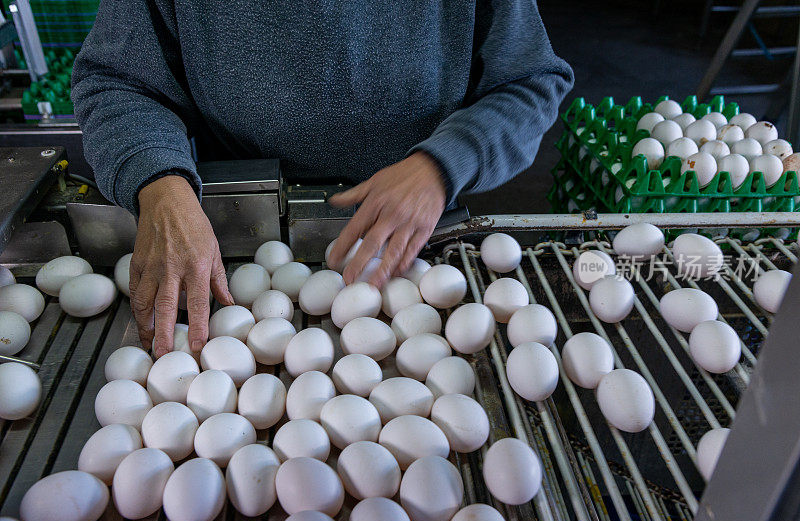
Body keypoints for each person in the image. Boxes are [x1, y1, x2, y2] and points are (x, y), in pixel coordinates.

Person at [72, 0, 573, 357]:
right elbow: (117, 80)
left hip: (420, 232)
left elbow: (529, 81)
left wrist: (443, 163)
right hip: (229, 232)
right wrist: (160, 185)